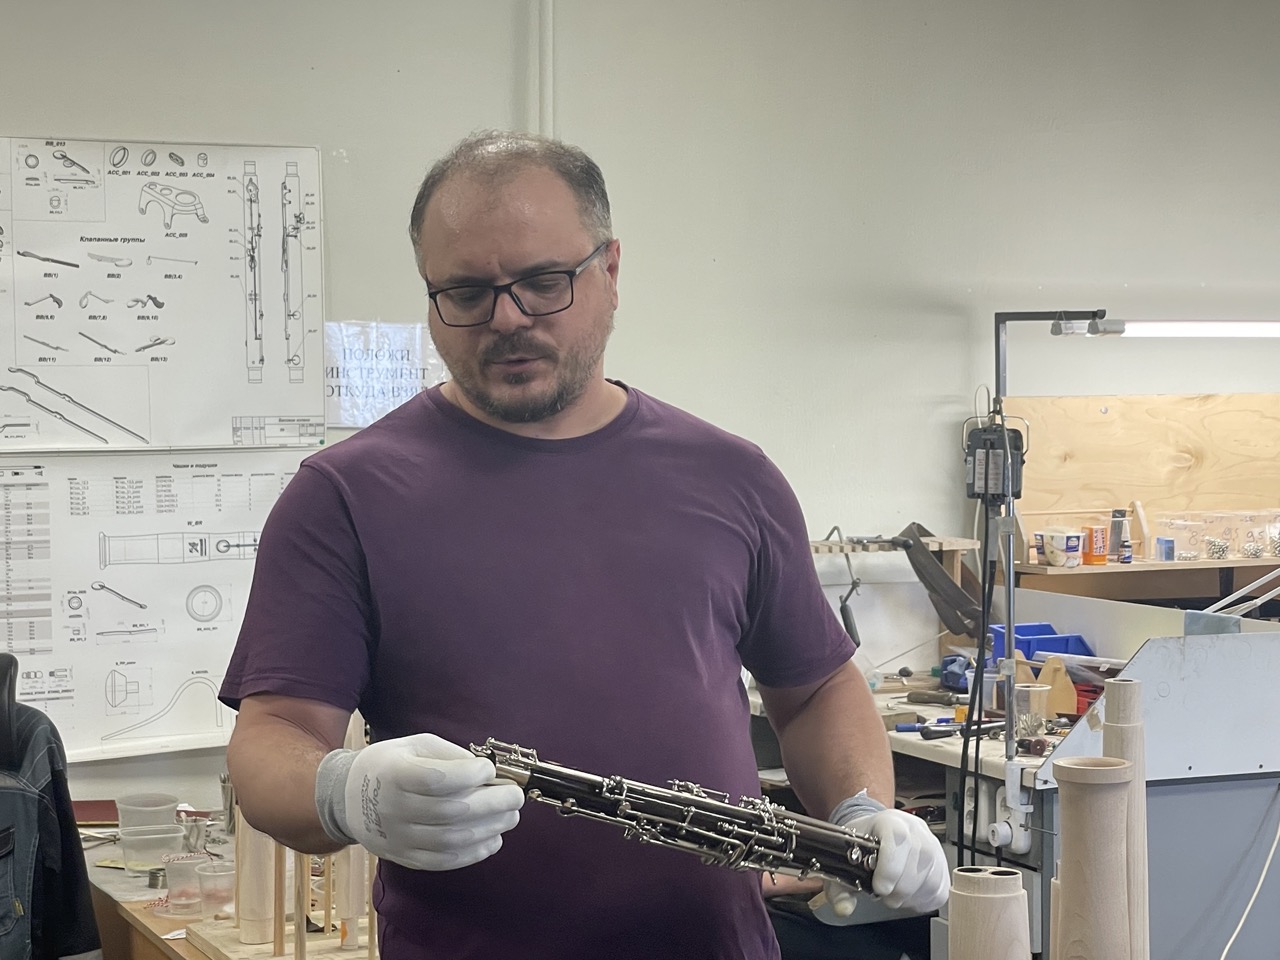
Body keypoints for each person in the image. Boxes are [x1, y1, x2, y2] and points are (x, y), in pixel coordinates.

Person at [220, 130, 948, 960]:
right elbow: (272, 738)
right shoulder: (343, 497)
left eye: (543, 282)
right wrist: (342, 791)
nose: (506, 319)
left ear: (610, 270)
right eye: (466, 292)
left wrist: (862, 812)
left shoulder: (732, 477)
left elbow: (815, 689)